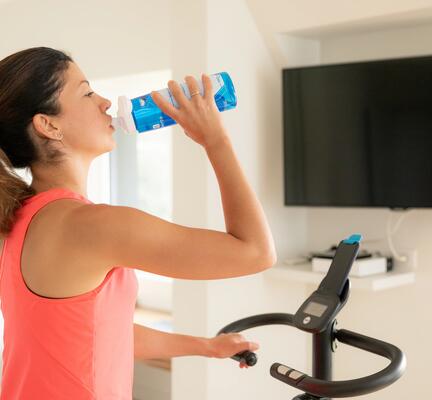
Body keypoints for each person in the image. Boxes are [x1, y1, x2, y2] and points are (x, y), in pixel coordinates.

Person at [0, 47, 276, 399]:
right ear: (48, 125)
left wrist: (206, 346)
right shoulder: (92, 225)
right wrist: (215, 140)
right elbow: (255, 252)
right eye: (86, 92)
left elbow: (99, 330)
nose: (104, 102)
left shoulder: (21, 218)